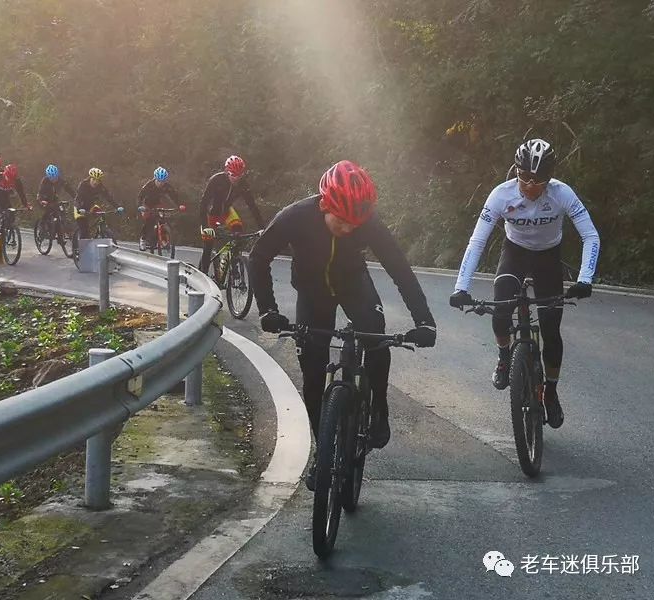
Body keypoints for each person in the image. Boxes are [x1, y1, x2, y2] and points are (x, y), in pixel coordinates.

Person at [249, 160, 437, 488]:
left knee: (375, 338)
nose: (350, 229)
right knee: (311, 368)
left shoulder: (368, 222)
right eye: (342, 221)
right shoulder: (295, 216)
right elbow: (258, 256)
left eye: (356, 224)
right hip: (312, 291)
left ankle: (378, 406)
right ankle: (324, 449)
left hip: (354, 284)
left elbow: (399, 268)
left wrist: (424, 320)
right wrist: (268, 309)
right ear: (324, 204)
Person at [449, 139, 600, 429]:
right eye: (524, 178)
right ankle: (505, 356)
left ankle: (551, 393)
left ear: (550, 176)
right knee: (501, 309)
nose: (530, 186)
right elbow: (477, 241)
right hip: (515, 253)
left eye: (538, 180)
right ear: (515, 171)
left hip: (547, 258)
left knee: (551, 330)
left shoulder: (562, 193)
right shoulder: (500, 195)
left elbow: (590, 236)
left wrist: (585, 279)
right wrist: (461, 287)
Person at [198, 155, 265, 274]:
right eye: (233, 175)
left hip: (227, 212)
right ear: (226, 172)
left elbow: (252, 206)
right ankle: (203, 274)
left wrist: (261, 227)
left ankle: (234, 263)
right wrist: (205, 226)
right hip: (211, 214)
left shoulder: (243, 184)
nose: (236, 178)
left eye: (239, 175)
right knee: (208, 246)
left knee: (238, 233)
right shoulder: (216, 180)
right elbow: (203, 204)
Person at [137, 166, 183, 250]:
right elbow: (140, 196)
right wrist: (140, 206)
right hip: (147, 204)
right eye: (159, 181)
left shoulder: (167, 186)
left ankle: (163, 237)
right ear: (155, 178)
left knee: (162, 218)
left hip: (157, 204)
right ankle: (143, 239)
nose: (161, 184)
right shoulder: (148, 185)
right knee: (149, 220)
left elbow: (174, 196)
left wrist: (179, 204)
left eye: (163, 182)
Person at [73, 167, 123, 239]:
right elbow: (78, 199)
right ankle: (82, 249)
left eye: (97, 180)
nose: (95, 182)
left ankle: (102, 231)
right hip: (80, 207)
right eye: (93, 179)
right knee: (84, 230)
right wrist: (79, 209)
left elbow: (108, 197)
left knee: (102, 215)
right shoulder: (83, 185)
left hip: (91, 206)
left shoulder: (100, 186)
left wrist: (117, 206)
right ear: (90, 178)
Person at [37, 164, 76, 245]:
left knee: (61, 214)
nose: (54, 179)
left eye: (55, 177)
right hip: (44, 200)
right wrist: (42, 200)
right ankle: (42, 230)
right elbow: (40, 192)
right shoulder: (45, 181)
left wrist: (76, 197)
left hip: (54, 200)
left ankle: (61, 236)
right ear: (48, 176)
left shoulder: (60, 180)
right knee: (47, 213)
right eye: (52, 178)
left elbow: (69, 189)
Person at [0, 163, 30, 230]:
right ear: (5, 174)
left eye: (12, 178)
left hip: (5, 199)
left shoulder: (17, 181)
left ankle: (5, 232)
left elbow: (21, 193)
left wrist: (25, 205)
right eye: (9, 177)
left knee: (11, 217)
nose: (10, 180)